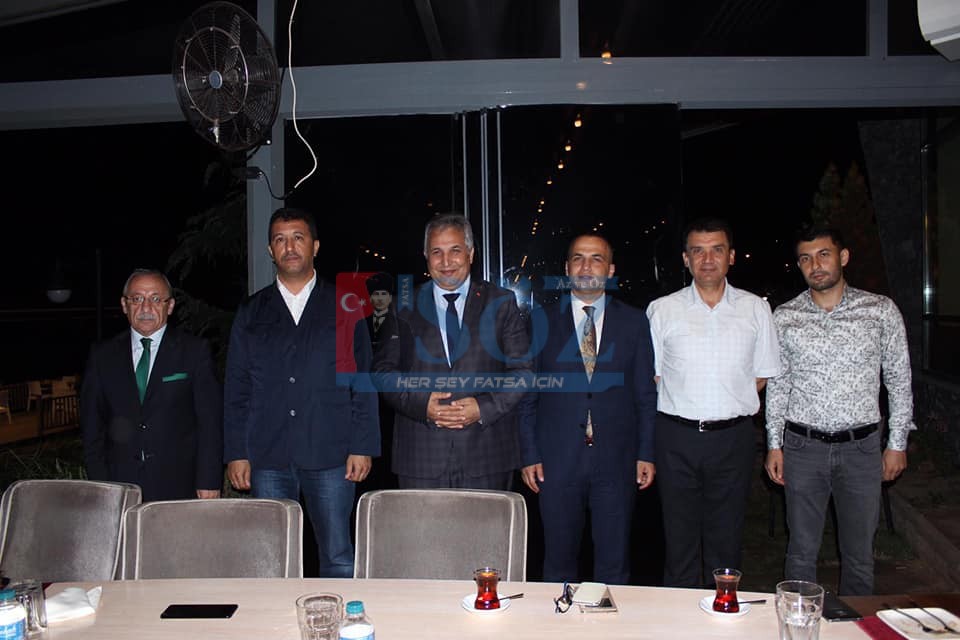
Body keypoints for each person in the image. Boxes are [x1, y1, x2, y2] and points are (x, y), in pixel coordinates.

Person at [223, 207, 380, 578]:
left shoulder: (346, 305)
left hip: (332, 453)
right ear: (270, 250)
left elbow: (363, 380)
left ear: (315, 246)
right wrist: (236, 452)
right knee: (272, 559)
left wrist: (363, 445)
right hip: (268, 455)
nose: (289, 247)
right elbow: (237, 385)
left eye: (298, 238)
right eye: (280, 240)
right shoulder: (251, 311)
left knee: (339, 555)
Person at [764, 227, 913, 595]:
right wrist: (774, 444)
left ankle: (854, 623)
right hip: (803, 447)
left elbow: (899, 378)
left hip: (861, 448)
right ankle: (798, 621)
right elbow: (779, 384)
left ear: (843, 257)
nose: (815, 265)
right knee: (801, 551)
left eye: (823, 254)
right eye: (805, 258)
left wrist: (897, 443)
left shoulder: (879, 310)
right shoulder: (785, 316)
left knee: (859, 554)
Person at [646, 217, 781, 587]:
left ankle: (722, 610)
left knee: (727, 539)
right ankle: (679, 614)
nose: (707, 259)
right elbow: (655, 375)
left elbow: (763, 374)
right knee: (678, 542)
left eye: (717, 250)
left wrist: (725, 400)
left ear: (731, 256)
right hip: (676, 438)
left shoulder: (755, 309)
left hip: (732, 439)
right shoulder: (662, 310)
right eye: (698, 251)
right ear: (685, 259)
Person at [519, 233, 657, 585]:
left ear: (610, 270)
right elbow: (527, 395)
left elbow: (644, 394)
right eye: (578, 258)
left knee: (614, 564)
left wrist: (646, 452)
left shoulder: (634, 322)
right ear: (567, 268)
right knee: (558, 562)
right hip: (557, 462)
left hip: (617, 460)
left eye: (596, 259)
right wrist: (529, 453)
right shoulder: (540, 321)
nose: (586, 266)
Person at [373, 213, 531, 489]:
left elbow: (522, 372)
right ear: (426, 256)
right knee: (422, 522)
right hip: (421, 456)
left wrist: (482, 408)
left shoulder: (501, 302)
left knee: (487, 521)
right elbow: (383, 373)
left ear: (470, 253)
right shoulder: (401, 307)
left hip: (488, 454)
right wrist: (422, 406)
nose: (446, 262)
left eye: (455, 250)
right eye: (437, 252)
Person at [80, 269, 223, 501]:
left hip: (180, 485)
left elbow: (210, 423)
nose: (146, 307)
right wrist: (100, 484)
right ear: (125, 305)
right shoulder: (102, 356)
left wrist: (209, 480)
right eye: (137, 298)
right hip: (119, 487)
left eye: (156, 299)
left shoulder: (195, 352)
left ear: (170, 306)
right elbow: (92, 428)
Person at [364, 271, 398, 352]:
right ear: (370, 298)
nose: (380, 299)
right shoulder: (362, 323)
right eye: (376, 294)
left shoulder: (401, 325)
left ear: (390, 298)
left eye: (383, 294)